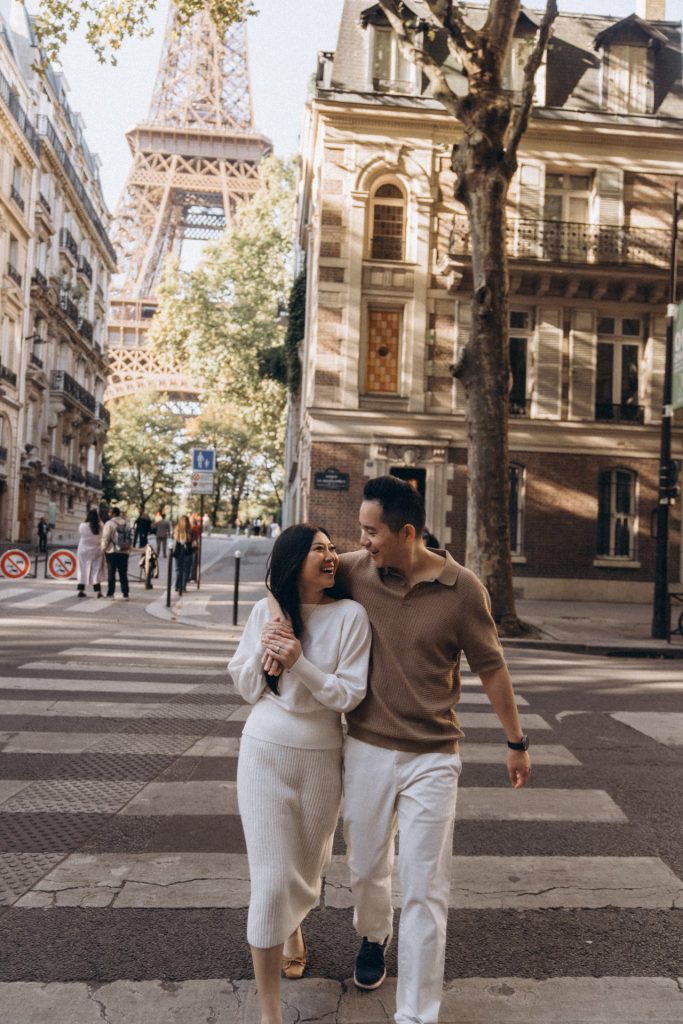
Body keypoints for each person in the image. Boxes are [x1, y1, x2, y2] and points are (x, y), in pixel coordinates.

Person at [334, 476, 531, 1024]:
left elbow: (492, 667)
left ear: (407, 532)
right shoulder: (355, 570)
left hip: (434, 757)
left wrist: (516, 743)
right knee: (367, 867)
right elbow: (299, 580)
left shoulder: (463, 589)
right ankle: (373, 934)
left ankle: (416, 1013)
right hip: (367, 748)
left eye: (371, 532)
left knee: (425, 886)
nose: (364, 541)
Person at [228, 525, 371, 1024]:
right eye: (319, 549)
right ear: (294, 560)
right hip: (263, 751)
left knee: (306, 874)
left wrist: (299, 662)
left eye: (333, 548)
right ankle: (270, 1014)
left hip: (320, 757)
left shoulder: (351, 617)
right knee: (269, 883)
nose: (331, 556)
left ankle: (293, 925)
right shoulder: (265, 613)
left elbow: (348, 695)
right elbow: (246, 687)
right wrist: (267, 653)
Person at [101, 507, 132, 600]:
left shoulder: (109, 523)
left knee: (111, 573)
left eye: (109, 512)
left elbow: (105, 538)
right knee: (123, 573)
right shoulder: (127, 523)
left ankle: (111, 593)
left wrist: (103, 549)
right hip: (124, 551)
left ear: (113, 513)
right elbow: (131, 537)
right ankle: (125, 594)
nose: (108, 514)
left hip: (112, 552)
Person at [76, 509, 104, 598]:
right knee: (96, 570)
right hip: (96, 550)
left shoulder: (82, 526)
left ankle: (81, 590)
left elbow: (81, 533)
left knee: (82, 569)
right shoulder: (100, 526)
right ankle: (98, 591)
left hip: (83, 551)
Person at [172, 515, 196, 594]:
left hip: (178, 552)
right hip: (188, 552)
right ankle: (183, 587)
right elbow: (194, 542)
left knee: (178, 570)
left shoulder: (177, 529)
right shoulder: (191, 530)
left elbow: (174, 540)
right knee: (186, 570)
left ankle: (177, 586)